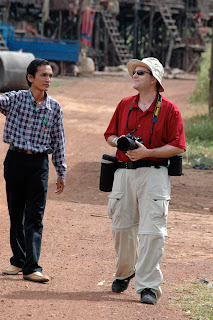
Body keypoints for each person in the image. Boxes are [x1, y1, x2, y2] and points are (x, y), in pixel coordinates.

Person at [104, 57, 186, 304]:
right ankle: (126, 271)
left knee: (153, 232)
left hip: (154, 174)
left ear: (154, 79)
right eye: (134, 72)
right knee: (122, 228)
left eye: (140, 72)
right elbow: (109, 135)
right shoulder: (124, 105)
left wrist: (147, 152)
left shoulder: (169, 109)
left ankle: (148, 286)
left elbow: (178, 146)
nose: (135, 75)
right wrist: (120, 142)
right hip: (124, 172)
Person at [0, 58, 66, 283]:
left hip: (39, 165)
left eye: (50, 75)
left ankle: (32, 267)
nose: (48, 79)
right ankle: (18, 261)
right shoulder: (15, 99)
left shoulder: (54, 107)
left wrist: (61, 171)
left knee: (35, 216)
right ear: (30, 78)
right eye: (43, 75)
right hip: (15, 160)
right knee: (16, 213)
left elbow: (59, 141)